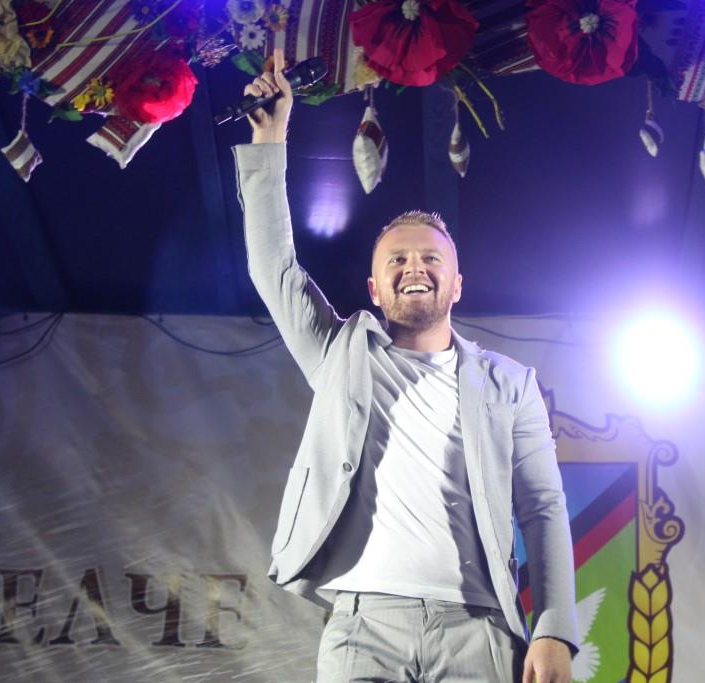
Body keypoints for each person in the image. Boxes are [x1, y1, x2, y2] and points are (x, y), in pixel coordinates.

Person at [234, 49, 578, 683]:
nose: (413, 267)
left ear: (457, 285)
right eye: (396, 260)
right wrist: (271, 140)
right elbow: (272, 265)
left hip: (479, 627)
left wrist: (555, 627)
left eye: (430, 259)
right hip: (363, 627)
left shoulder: (511, 384)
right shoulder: (340, 353)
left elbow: (542, 507)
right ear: (374, 288)